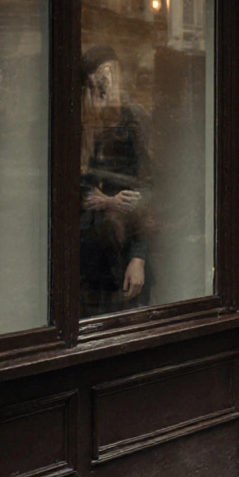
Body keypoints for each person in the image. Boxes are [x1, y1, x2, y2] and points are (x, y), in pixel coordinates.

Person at [79, 45, 151, 316]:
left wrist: (138, 256)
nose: (105, 89)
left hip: (122, 251)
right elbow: (75, 185)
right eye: (97, 83)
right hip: (86, 253)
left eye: (109, 79)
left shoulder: (134, 120)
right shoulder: (84, 123)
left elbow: (148, 187)